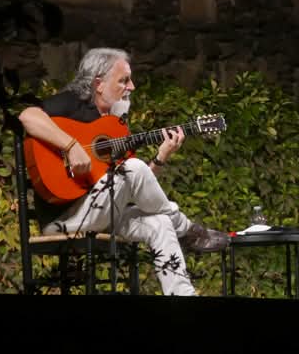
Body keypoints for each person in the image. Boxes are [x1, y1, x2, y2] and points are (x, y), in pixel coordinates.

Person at [18, 47, 228, 296]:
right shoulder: (73, 102)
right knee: (134, 168)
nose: (132, 87)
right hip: (64, 219)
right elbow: (27, 116)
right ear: (98, 83)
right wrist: (71, 146)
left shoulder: (114, 126)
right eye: (124, 80)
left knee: (159, 221)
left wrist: (161, 157)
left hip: (103, 214)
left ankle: (184, 298)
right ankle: (186, 229)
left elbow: (137, 185)